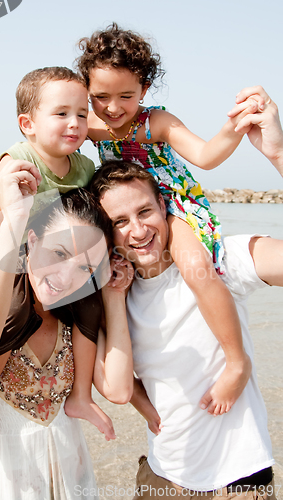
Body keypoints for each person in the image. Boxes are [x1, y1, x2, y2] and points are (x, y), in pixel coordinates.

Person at [87, 87, 283, 498]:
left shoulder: (219, 260)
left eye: (144, 212)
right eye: (119, 221)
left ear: (164, 205)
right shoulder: (114, 290)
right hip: (161, 479)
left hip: (239, 481)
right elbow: (118, 388)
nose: (137, 231)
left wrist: (277, 154)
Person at [75, 23, 264, 416]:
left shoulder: (155, 123)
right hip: (123, 214)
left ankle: (236, 360)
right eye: (101, 97)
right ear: (86, 91)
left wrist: (234, 126)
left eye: (126, 95)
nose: (113, 107)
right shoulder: (91, 127)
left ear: (144, 89)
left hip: (168, 206)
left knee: (195, 266)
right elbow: (50, 142)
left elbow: (208, 155)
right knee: (88, 278)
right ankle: (121, 395)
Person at [0, 66, 116, 462]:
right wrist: (8, 205)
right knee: (14, 307)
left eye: (82, 114)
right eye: (61, 113)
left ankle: (80, 395)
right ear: (27, 124)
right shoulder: (19, 159)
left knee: (91, 300)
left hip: (45, 255)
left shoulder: (82, 167)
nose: (75, 123)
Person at [0, 164, 134, 500]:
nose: (65, 278)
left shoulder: (74, 319)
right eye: (59, 253)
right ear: (31, 240)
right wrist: (11, 222)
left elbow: (119, 390)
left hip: (68, 472)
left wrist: (114, 298)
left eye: (84, 268)